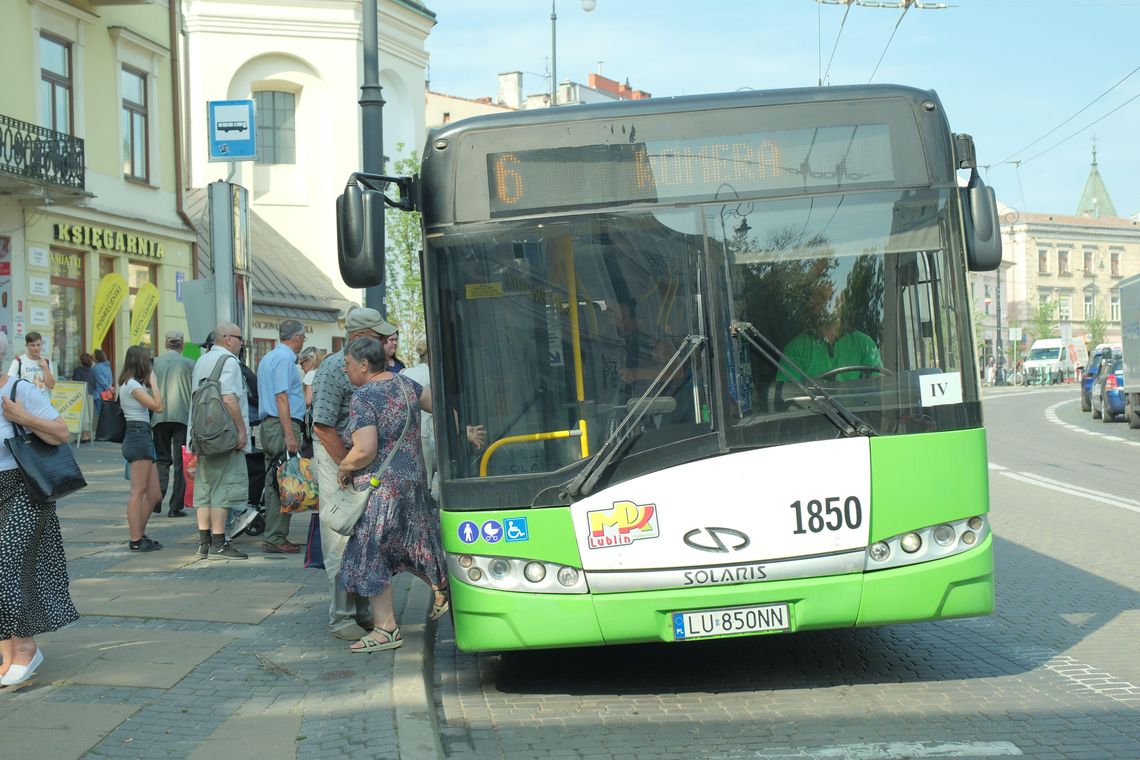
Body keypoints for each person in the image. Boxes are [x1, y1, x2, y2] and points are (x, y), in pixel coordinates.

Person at [336, 336, 448, 653]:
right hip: (413, 481)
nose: (345, 370)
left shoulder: (363, 397)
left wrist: (344, 467)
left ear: (363, 364)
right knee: (414, 542)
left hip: (381, 489)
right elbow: (438, 405)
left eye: (347, 364)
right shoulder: (405, 385)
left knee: (372, 552)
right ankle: (443, 588)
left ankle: (385, 629)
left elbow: (365, 449)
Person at [310, 308, 396, 640]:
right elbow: (323, 425)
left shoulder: (360, 364)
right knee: (340, 536)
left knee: (361, 534)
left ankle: (361, 610)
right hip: (339, 456)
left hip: (354, 456)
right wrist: (345, 466)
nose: (383, 341)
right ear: (361, 336)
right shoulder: (335, 367)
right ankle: (342, 616)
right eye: (378, 335)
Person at [0, 367, 80, 686]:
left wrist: (23, 417)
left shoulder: (21, 391)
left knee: (9, 564)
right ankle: (6, 652)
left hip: (24, 486)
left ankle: (25, 646)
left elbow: (61, 433)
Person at [189, 322, 251, 560]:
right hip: (224, 434)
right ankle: (219, 543)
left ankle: (203, 543)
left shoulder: (202, 360)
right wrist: (241, 431)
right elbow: (229, 398)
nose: (240, 342)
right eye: (239, 338)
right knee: (224, 488)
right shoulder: (229, 362)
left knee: (204, 488)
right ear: (227, 339)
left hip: (202, 433)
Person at [774, 294, 882, 406]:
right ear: (812, 306)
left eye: (833, 298)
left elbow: (879, 393)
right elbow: (786, 402)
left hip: (859, 420)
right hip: (811, 420)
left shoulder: (865, 344)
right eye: (821, 300)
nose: (828, 305)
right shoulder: (795, 349)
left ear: (842, 303)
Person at [256, 319, 306, 554]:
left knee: (273, 480)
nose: (303, 343)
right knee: (284, 481)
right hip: (281, 424)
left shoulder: (268, 358)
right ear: (296, 337)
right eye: (302, 338)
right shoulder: (286, 360)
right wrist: (289, 434)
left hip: (269, 424)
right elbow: (282, 397)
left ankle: (273, 534)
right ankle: (276, 536)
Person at [118, 345, 165, 551]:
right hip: (137, 435)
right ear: (141, 362)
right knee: (138, 492)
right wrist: (154, 383)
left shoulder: (134, 384)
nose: (150, 365)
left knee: (154, 493)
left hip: (143, 435)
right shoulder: (131, 386)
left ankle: (140, 533)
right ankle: (135, 539)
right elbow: (158, 406)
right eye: (148, 361)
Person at [151, 331, 194, 518]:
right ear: (182, 345)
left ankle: (157, 498)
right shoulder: (190, 364)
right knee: (180, 462)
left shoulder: (154, 363)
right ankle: (175, 506)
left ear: (165, 344)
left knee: (162, 459)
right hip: (182, 418)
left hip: (159, 417)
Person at [7, 331, 56, 396]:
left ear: (42, 344)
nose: (36, 348)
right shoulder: (18, 361)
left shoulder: (47, 362)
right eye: (32, 345)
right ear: (26, 346)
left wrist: (45, 367)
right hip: (25, 404)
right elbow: (10, 384)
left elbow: (51, 386)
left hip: (43, 403)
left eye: (38, 345)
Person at [72, 352, 97, 443]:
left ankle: (84, 436)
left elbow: (76, 383)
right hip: (90, 394)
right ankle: (88, 434)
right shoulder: (92, 371)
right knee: (88, 415)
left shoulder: (77, 370)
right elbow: (94, 385)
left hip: (81, 394)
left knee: (82, 414)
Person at [92, 348, 113, 420]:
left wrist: (108, 387)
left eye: (93, 355)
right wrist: (109, 387)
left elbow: (100, 380)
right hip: (107, 394)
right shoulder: (107, 366)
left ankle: (102, 430)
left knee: (100, 414)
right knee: (106, 413)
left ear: (97, 357)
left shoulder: (96, 367)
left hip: (99, 393)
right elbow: (110, 379)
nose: (92, 357)